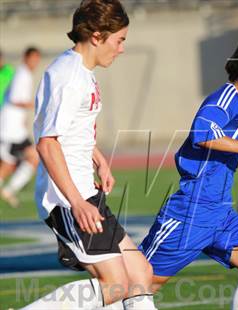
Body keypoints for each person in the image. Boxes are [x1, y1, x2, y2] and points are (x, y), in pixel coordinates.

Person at [139, 29, 238, 309]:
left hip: (218, 211)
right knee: (134, 284)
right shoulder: (226, 98)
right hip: (191, 212)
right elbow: (202, 133)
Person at [22, 1, 156, 309]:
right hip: (70, 198)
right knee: (117, 285)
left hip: (85, 192)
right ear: (97, 36)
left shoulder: (81, 72)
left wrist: (98, 159)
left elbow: (70, 130)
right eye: (119, 40)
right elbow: (47, 143)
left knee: (140, 274)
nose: (121, 49)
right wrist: (77, 202)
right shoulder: (68, 76)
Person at [0, 47, 40, 208]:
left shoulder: (24, 74)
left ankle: (9, 190)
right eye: (33, 58)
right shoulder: (22, 74)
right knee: (30, 158)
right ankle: (9, 190)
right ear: (25, 57)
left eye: (37, 59)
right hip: (10, 131)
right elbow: (16, 99)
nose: (35, 62)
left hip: (15, 129)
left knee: (10, 164)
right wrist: (37, 105)